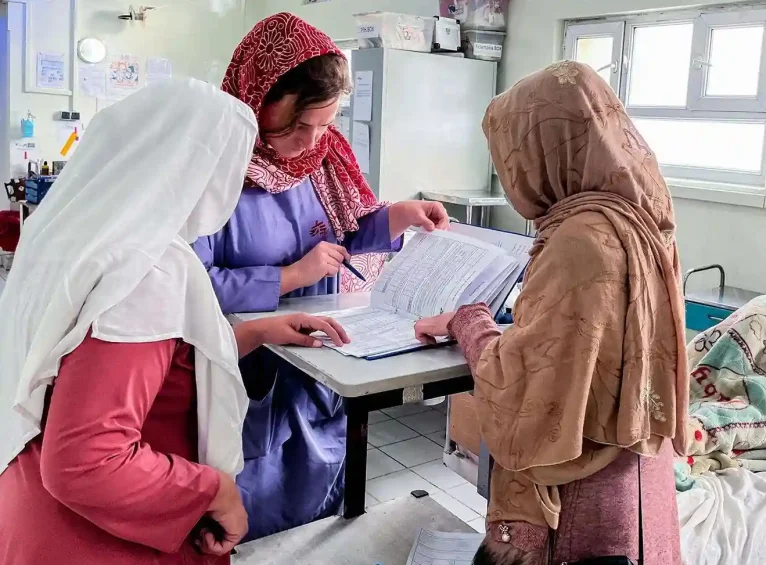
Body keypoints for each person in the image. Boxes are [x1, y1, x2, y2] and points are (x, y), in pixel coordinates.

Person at [0, 79, 349, 564]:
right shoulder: (147, 268)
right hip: (106, 537)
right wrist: (214, 493)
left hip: (30, 508)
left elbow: (134, 357)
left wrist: (254, 332)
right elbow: (87, 460)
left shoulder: (64, 239)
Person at [415, 61, 688, 565]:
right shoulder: (644, 218)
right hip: (641, 478)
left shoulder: (580, 240)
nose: (509, 174)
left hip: (581, 496)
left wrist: (468, 321)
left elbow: (520, 389)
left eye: (510, 158)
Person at [193, 12, 449, 540]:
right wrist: (289, 276)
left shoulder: (323, 161)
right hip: (245, 374)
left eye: (324, 125)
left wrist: (397, 216)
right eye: (299, 125)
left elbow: (346, 234)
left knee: (318, 520)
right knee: (248, 518)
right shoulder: (211, 170)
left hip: (320, 374)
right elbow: (187, 284)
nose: (312, 143)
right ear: (256, 98)